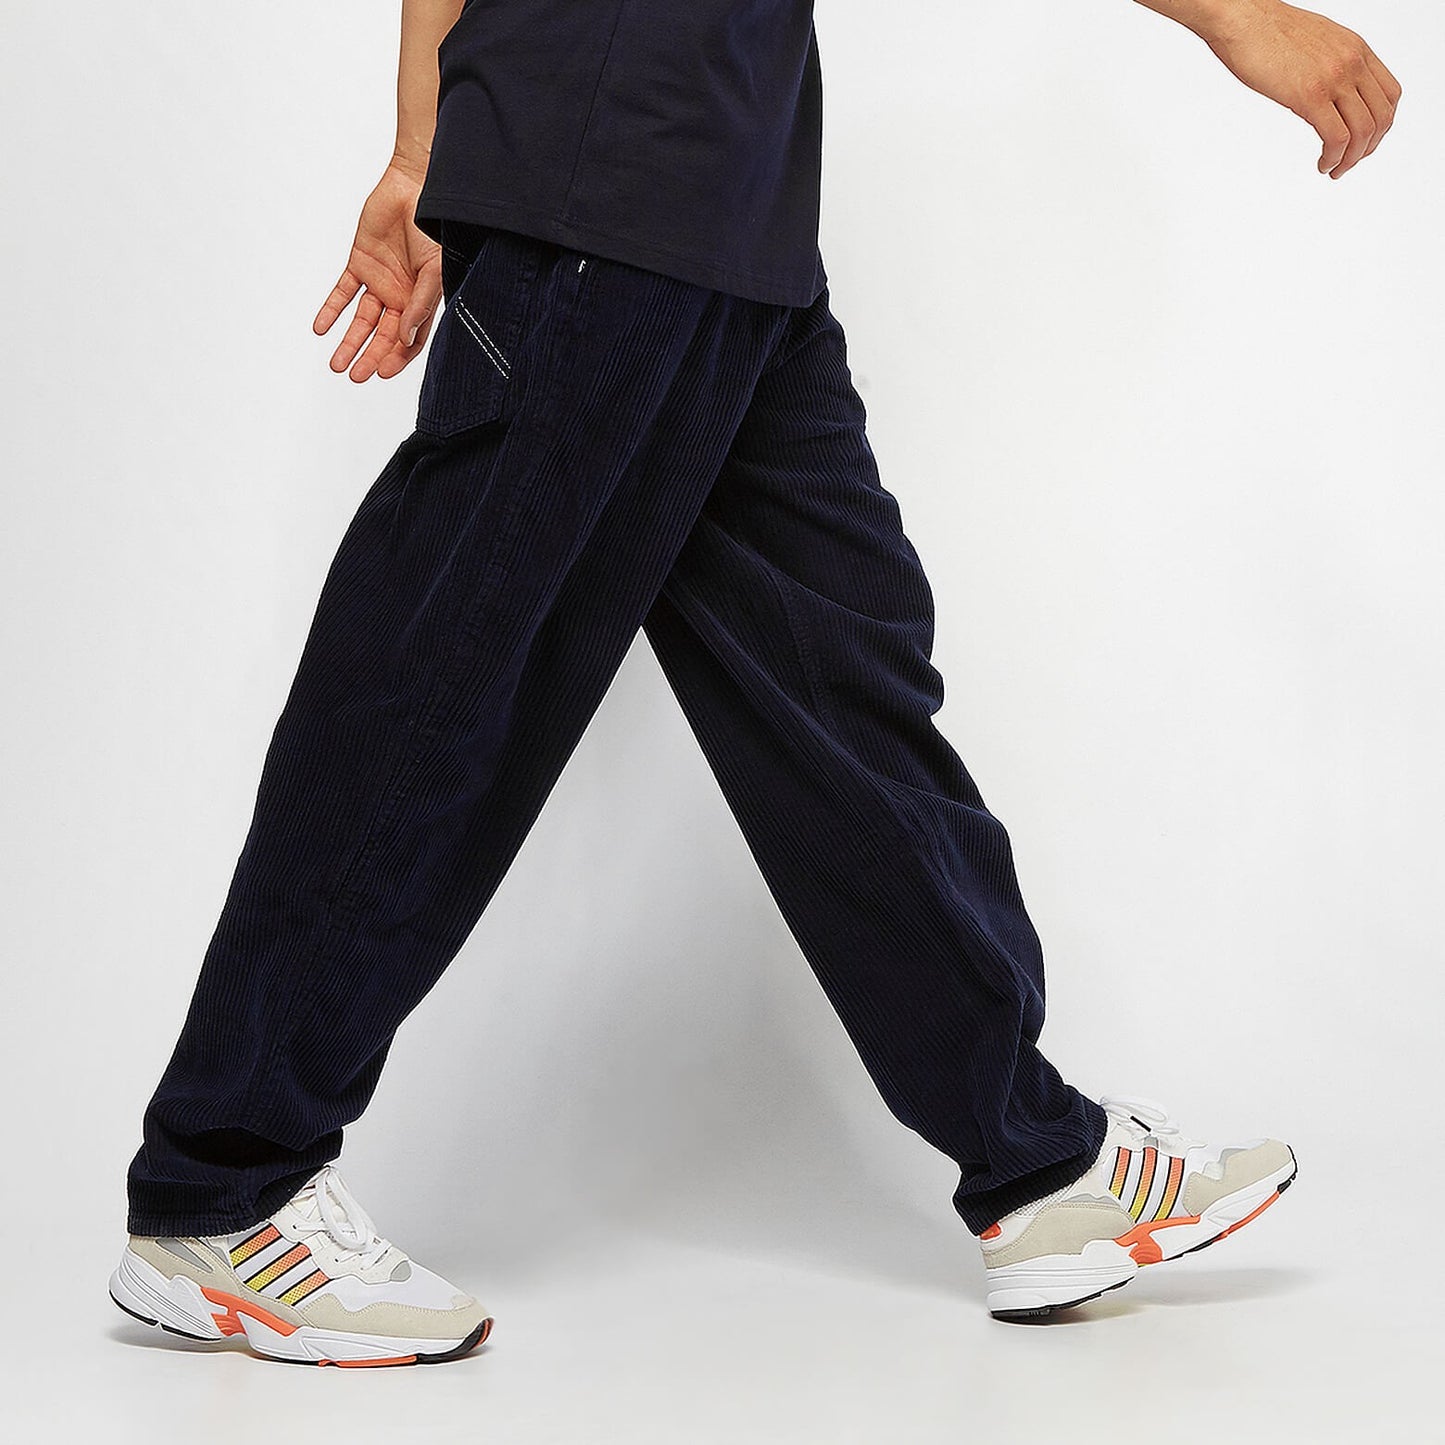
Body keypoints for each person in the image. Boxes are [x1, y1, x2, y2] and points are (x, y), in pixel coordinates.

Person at [108, 0, 1400, 1365]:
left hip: (730, 205)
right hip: (610, 177)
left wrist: (424, 153)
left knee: (840, 688)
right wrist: (1236, 17)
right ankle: (223, 1186)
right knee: (442, 684)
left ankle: (1035, 1165)